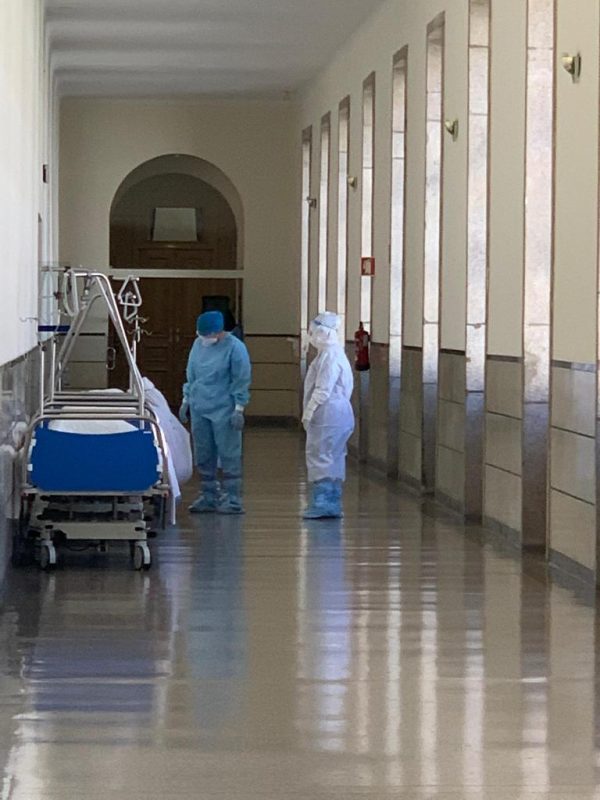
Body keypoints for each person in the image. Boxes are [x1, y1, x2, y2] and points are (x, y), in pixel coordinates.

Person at [179, 311, 251, 514]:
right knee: (203, 451)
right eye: (201, 334)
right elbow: (192, 375)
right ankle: (208, 495)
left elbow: (241, 379)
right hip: (199, 405)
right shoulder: (198, 344)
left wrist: (239, 408)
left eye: (208, 334)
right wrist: (186, 400)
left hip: (225, 408)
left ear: (219, 331)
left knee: (229, 453)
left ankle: (233, 498)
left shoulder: (235, 348)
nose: (205, 338)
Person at [302, 311, 355, 519]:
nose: (312, 335)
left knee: (322, 454)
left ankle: (324, 501)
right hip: (335, 413)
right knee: (333, 455)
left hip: (328, 414)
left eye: (314, 331)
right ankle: (331, 499)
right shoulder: (330, 354)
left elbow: (323, 389)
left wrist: (309, 411)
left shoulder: (330, 356)